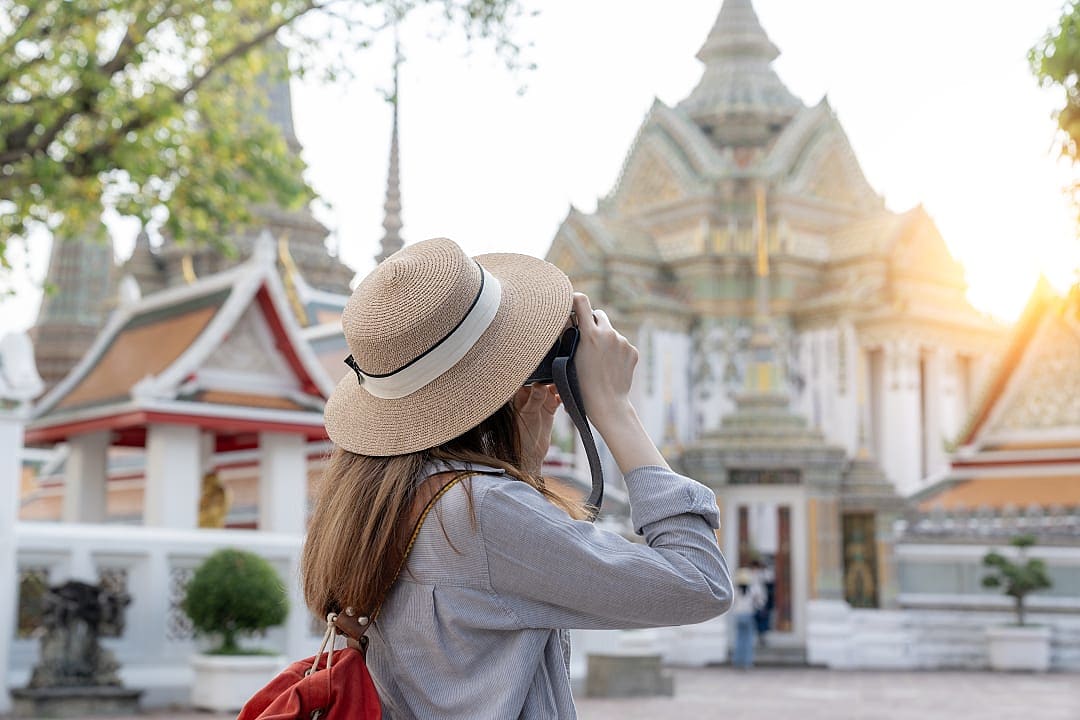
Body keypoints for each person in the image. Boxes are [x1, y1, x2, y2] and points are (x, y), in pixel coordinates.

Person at [301, 238, 733, 719]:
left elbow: (472, 633)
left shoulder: (372, 499)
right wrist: (615, 410)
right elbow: (700, 581)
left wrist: (521, 460)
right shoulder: (480, 511)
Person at [731, 567, 765, 670]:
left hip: (738, 616)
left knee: (739, 639)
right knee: (748, 640)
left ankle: (737, 661)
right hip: (749, 616)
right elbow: (760, 603)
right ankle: (747, 662)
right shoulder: (752, 590)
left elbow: (732, 603)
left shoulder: (736, 590)